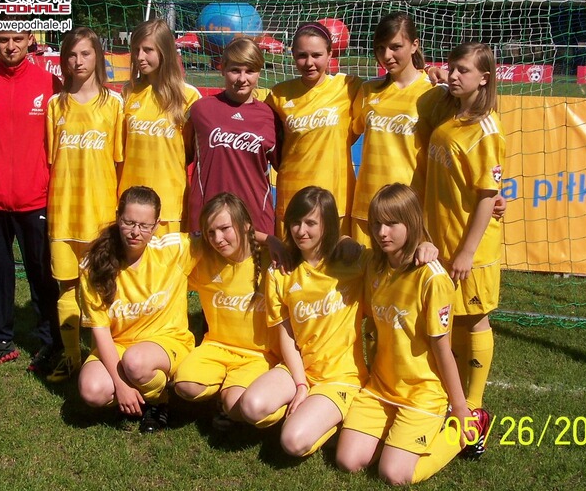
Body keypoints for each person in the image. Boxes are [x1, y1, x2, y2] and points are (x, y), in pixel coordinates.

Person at [336, 183, 486, 485]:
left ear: (412, 222)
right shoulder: (374, 264)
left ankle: (470, 428)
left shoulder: (432, 279)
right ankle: (394, 436)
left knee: (394, 474)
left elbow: (443, 350)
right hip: (381, 388)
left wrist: (460, 408)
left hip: (422, 394)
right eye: (377, 223)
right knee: (347, 461)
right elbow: (337, 241)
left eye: (392, 223)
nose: (382, 232)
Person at [239, 186, 369, 457]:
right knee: (251, 406)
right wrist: (300, 384)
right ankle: (307, 410)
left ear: (328, 225)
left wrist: (425, 246)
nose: (301, 231)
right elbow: (286, 335)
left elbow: (394, 260)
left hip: (340, 377)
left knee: (293, 442)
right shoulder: (281, 271)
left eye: (311, 223)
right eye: (296, 222)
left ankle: (338, 418)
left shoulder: (352, 262)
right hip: (299, 369)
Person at [0, 27, 62, 372]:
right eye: (3, 40)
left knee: (42, 274)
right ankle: (0, 340)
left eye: (17, 39)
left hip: (36, 200)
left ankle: (50, 341)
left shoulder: (50, 85)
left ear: (30, 40)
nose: (10, 46)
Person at [423, 42, 506, 435]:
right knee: (449, 317)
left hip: (469, 247)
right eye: (452, 67)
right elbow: (437, 77)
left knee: (474, 320)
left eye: (464, 71)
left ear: (484, 78)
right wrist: (437, 75)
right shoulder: (452, 111)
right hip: (442, 238)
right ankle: (452, 396)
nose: (455, 75)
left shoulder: (486, 129)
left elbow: (488, 196)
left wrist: (467, 252)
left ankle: (474, 407)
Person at [77, 186, 198, 433]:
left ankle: (159, 400)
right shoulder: (94, 265)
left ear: (156, 226)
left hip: (167, 340)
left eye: (144, 226)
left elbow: (225, 234)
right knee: (92, 391)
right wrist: (121, 385)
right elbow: (100, 331)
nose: (135, 232)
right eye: (129, 222)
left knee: (135, 362)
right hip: (119, 345)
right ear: (117, 217)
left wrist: (270, 242)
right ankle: (137, 396)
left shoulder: (174, 249)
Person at [45, 27, 125, 383]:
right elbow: (51, 160)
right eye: (71, 55)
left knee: (102, 287)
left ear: (98, 57)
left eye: (85, 54)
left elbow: (119, 162)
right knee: (66, 287)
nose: (78, 61)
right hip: (63, 213)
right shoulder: (55, 105)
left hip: (100, 214)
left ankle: (102, 358)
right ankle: (71, 358)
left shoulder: (114, 104)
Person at [174, 193, 279, 430]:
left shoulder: (270, 261)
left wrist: (271, 240)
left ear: (246, 226)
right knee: (185, 385)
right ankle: (225, 387)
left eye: (224, 229)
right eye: (211, 232)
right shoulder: (203, 260)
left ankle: (234, 397)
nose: (218, 239)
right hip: (216, 347)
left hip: (259, 355)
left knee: (237, 406)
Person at [351, 12, 447, 247]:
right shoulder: (368, 90)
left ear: (414, 45)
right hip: (368, 209)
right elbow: (342, 138)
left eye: (395, 47)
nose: (386, 56)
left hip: (410, 210)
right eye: (381, 48)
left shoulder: (436, 92)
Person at [266, 22, 361, 235]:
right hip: (292, 195)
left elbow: (390, 84)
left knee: (336, 255)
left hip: (336, 196)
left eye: (317, 55)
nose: (309, 63)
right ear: (293, 55)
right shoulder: (278, 94)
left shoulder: (349, 87)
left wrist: (429, 71)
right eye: (302, 55)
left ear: (330, 54)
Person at [184, 37, 281, 235]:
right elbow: (182, 156)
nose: (242, 79)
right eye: (235, 70)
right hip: (208, 218)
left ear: (259, 72)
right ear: (222, 68)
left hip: (255, 220)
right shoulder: (201, 110)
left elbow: (285, 166)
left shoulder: (270, 116)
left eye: (250, 71)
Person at [119, 19, 201, 235]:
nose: (139, 57)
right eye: (136, 50)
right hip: (131, 204)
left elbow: (190, 152)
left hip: (170, 204)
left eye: (147, 50)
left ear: (164, 51)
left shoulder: (189, 96)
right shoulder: (128, 92)